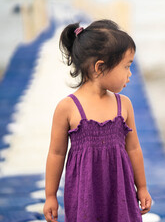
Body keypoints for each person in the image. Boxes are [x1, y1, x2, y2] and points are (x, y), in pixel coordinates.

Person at [43, 19, 152, 222]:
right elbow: (56, 153)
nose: (130, 75)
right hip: (84, 194)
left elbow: (134, 148)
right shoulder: (68, 108)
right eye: (126, 67)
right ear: (100, 67)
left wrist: (142, 187)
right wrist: (50, 196)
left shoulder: (124, 105)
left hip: (120, 191)